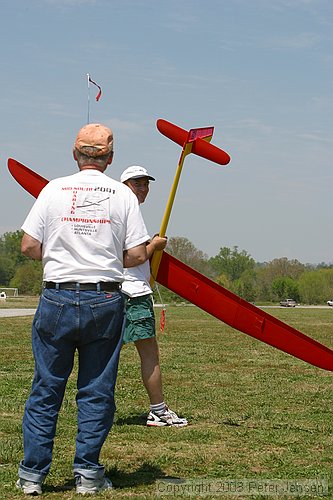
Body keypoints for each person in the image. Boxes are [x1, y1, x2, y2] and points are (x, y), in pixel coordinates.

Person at [16, 124, 150, 496]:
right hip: (105, 300)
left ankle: (32, 476)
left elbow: (29, 246)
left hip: (56, 298)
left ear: (75, 154)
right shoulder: (123, 196)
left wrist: (61, 254)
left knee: (46, 388)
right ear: (109, 158)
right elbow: (138, 253)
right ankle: (88, 474)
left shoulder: (53, 189)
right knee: (96, 390)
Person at [120, 165, 188, 427]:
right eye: (137, 183)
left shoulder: (117, 211)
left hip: (115, 292)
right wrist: (153, 246)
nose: (143, 188)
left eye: (146, 183)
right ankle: (158, 411)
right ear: (125, 185)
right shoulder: (129, 211)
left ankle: (95, 410)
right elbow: (128, 257)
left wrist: (147, 242)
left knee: (104, 354)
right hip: (133, 294)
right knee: (149, 354)